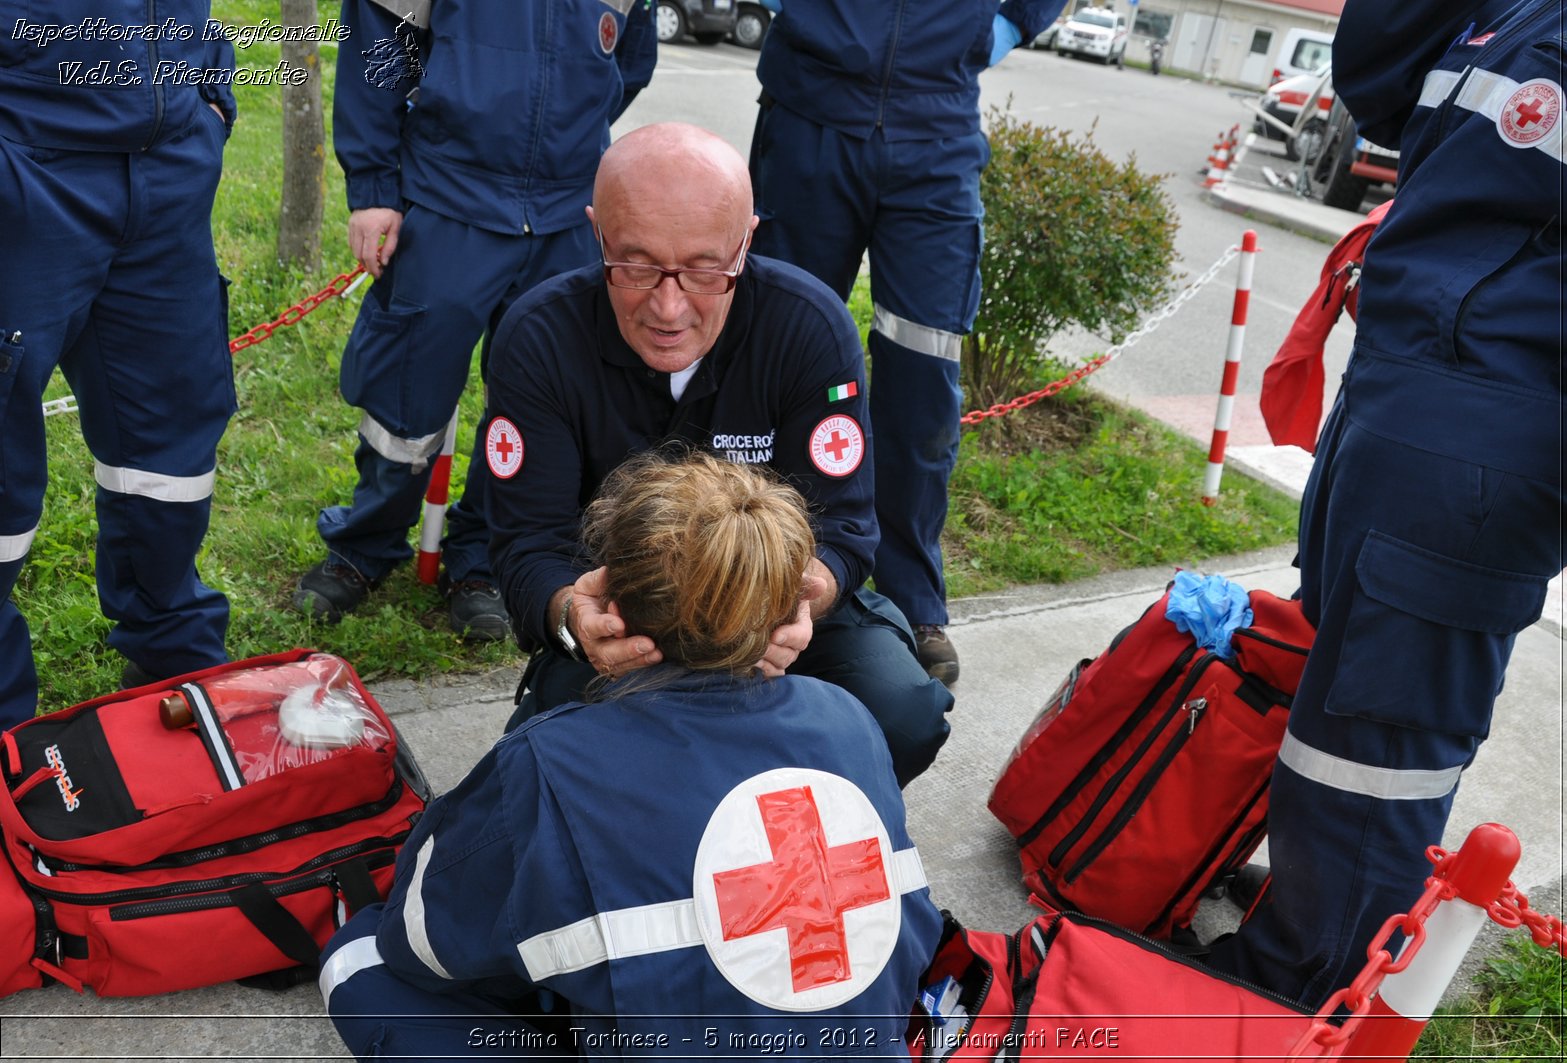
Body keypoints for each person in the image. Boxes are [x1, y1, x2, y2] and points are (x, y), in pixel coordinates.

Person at [1209, 0, 1567, 1006]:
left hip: (1490, 431)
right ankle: (1318, 906)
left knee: (1378, 741)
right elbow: (1374, 77)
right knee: (1341, 698)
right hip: (1396, 393)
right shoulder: (1520, 12)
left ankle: (1303, 988)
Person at [320, 452, 942, 1056]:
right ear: (786, 613)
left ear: (608, 602)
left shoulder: (552, 759)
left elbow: (425, 940)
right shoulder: (850, 720)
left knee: (362, 958)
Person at [484, 123, 954, 787]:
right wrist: (569, 613)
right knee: (547, 767)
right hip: (624, 616)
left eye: (707, 269)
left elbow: (845, 529)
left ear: (747, 241)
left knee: (903, 713)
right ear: (596, 234)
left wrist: (809, 597)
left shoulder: (809, 328)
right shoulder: (538, 339)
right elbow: (526, 544)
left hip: (776, 604)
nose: (669, 307)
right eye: (636, 265)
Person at [292, 0, 656, 640]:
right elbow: (379, 46)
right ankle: (364, 547)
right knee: (406, 395)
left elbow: (627, 64)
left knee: (533, 406)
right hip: (446, 195)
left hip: (566, 213)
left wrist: (562, 141)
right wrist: (375, 188)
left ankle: (485, 560)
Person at [746, 0, 1069, 686]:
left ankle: (908, 601)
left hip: (937, 124)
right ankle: (760, 570)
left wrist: (1001, 25)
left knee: (923, 378)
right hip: (810, 109)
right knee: (777, 350)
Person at [0, 2, 239, 724]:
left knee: (170, 440)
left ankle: (170, 647)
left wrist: (209, 90)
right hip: (26, 154)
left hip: (166, 165)